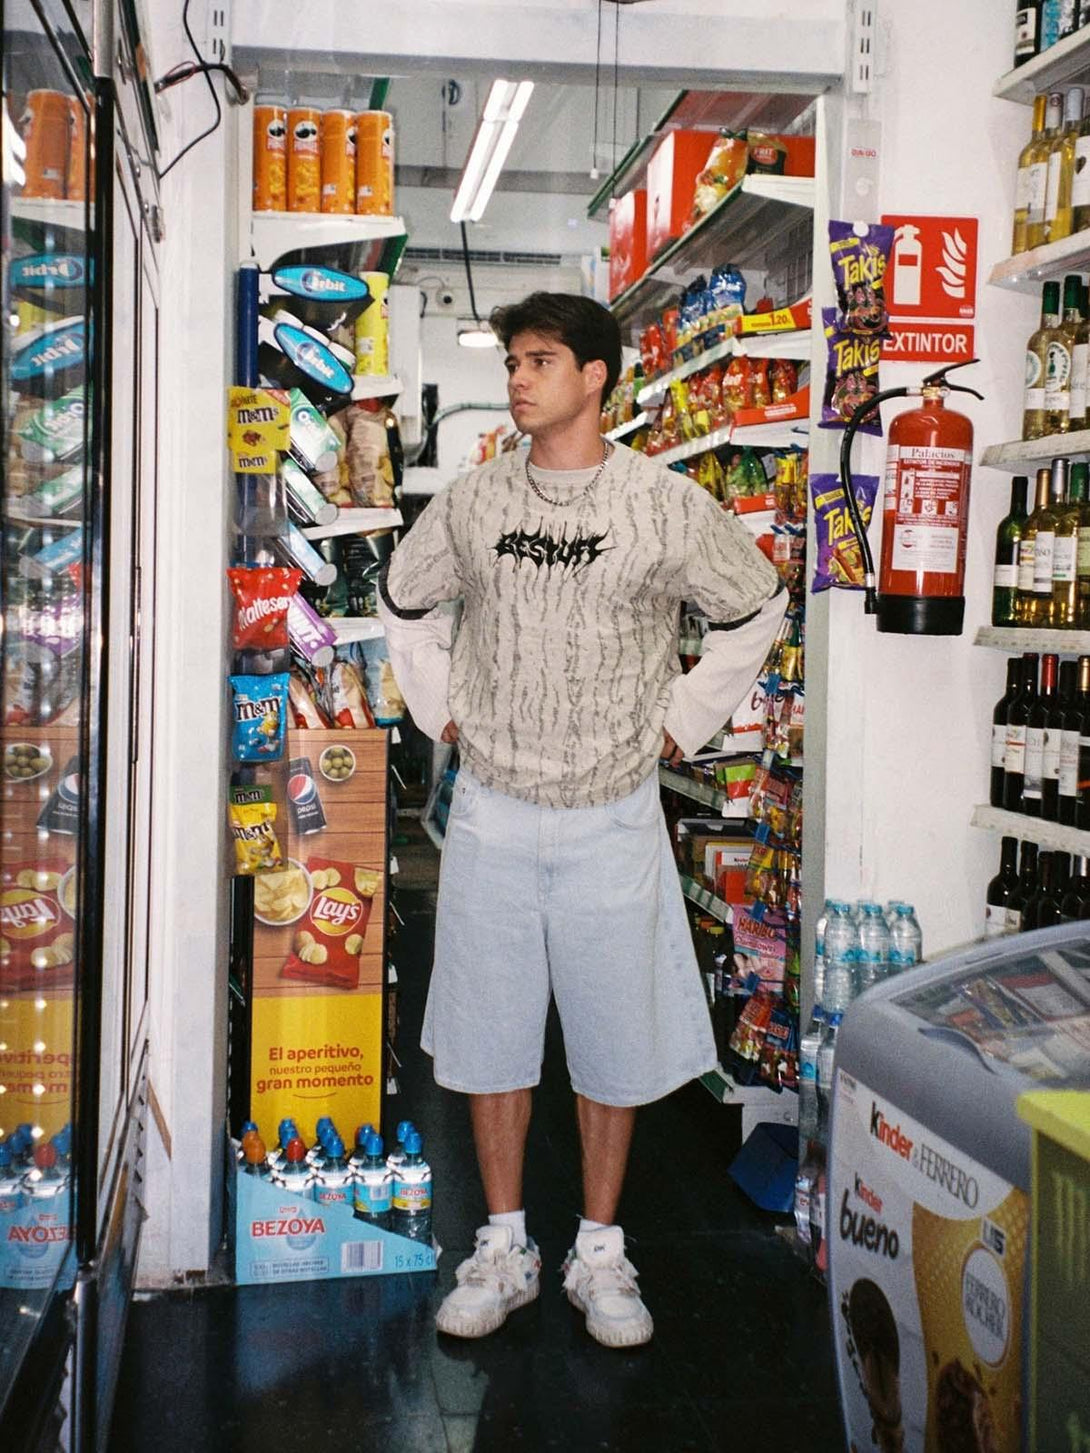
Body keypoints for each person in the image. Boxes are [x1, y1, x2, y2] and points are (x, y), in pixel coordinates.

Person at [377, 292, 785, 1349]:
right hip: (496, 810)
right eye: (513, 358)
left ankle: (598, 1250)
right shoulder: (474, 502)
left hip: (614, 810)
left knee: (613, 1037)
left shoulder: (665, 503)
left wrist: (683, 721)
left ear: (595, 375)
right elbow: (404, 597)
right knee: (487, 1029)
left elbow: (754, 606)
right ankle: (503, 1243)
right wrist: (439, 707)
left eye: (541, 360)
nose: (518, 377)